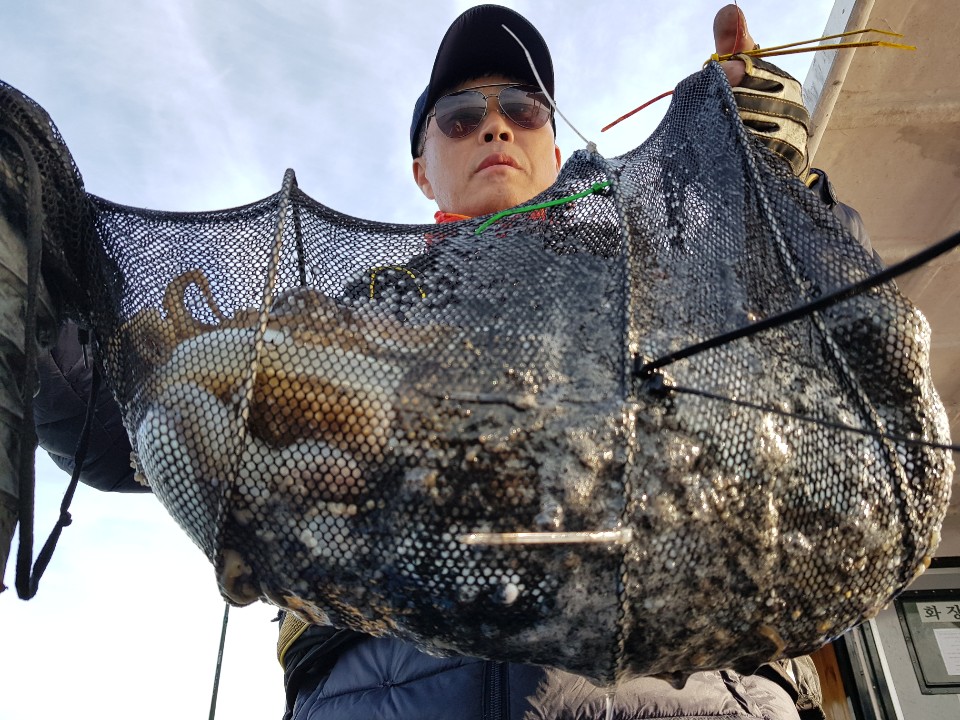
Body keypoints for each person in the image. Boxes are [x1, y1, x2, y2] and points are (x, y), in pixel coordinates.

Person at [32, 4, 866, 719]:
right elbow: (119, 431)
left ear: (557, 151)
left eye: (524, 109)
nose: (495, 125)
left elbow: (829, 355)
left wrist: (771, 192)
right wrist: (40, 310)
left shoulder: (665, 279)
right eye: (460, 116)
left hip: (676, 684)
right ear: (421, 169)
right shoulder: (338, 320)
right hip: (377, 688)